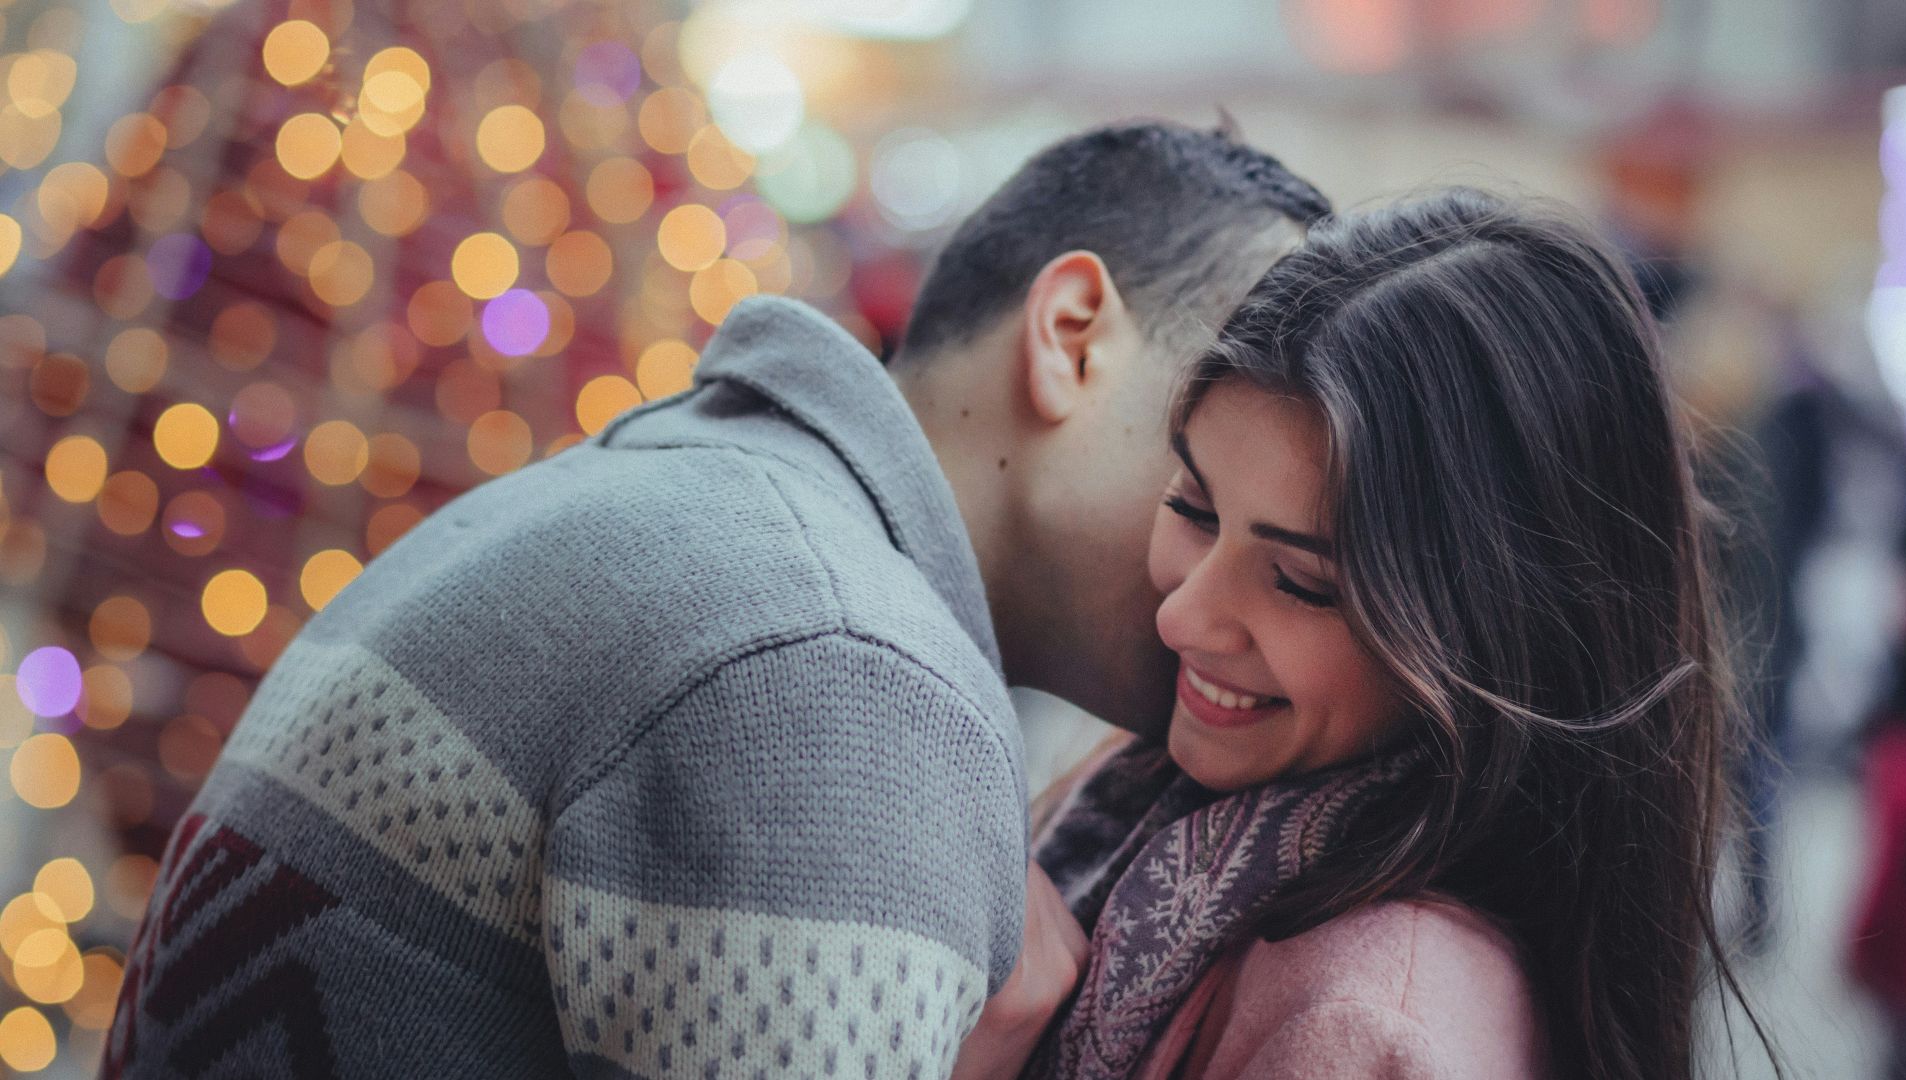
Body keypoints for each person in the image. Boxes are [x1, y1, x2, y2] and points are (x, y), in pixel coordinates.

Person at [103, 121, 1332, 1078]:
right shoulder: (833, 659)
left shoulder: (686, 506)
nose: (1241, 561)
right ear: (1070, 337)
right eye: (1216, 446)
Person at [1020, 188, 1775, 1080]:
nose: (1181, 615)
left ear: (1497, 631)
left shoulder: (1363, 1022)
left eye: (1301, 584)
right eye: (1192, 507)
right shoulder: (1153, 792)